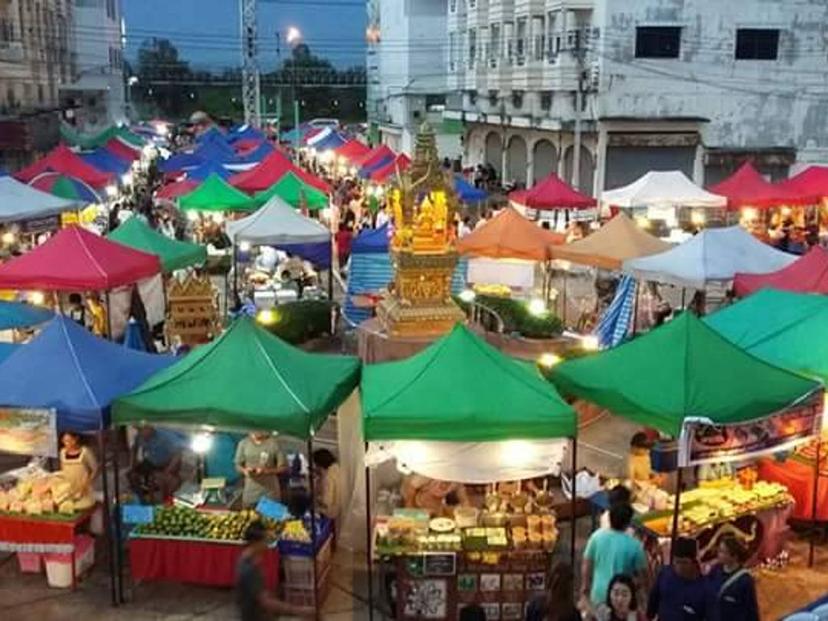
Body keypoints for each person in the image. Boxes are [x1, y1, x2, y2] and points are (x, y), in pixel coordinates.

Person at [236, 522, 313, 621]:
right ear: (256, 542)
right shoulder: (249, 569)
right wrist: (298, 610)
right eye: (265, 541)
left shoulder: (248, 559)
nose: (267, 545)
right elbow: (265, 601)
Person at [581, 504, 647, 607]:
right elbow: (644, 576)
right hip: (622, 598)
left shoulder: (596, 537)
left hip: (599, 594)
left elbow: (586, 565)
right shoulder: (635, 546)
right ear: (628, 523)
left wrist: (585, 589)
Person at [647, 537, 707, 621]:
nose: (679, 566)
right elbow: (653, 600)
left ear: (694, 562)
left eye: (684, 562)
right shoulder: (665, 574)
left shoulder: (705, 588)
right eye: (676, 561)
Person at [705, 537, 759, 621]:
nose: (719, 554)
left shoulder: (745, 581)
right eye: (719, 550)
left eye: (723, 552)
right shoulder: (715, 570)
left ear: (734, 556)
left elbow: (751, 610)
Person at [129, 426, 183, 502]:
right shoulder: (139, 437)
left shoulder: (165, 436)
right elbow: (134, 448)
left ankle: (166, 500)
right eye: (139, 430)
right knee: (132, 475)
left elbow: (178, 455)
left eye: (142, 430)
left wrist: (168, 470)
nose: (141, 433)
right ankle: (142, 500)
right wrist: (132, 464)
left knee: (166, 480)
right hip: (151, 461)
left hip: (167, 462)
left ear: (150, 428)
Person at [235, 432, 287, 509]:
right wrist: (245, 471)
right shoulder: (243, 443)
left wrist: (266, 471)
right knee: (249, 520)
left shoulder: (274, 443)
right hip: (250, 495)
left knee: (273, 520)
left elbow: (283, 467)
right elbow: (237, 465)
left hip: (270, 495)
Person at [59, 432, 99, 510]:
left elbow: (95, 469)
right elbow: (62, 469)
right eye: (65, 441)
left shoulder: (85, 451)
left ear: (76, 439)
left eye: (70, 440)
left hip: (84, 489)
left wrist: (87, 483)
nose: (67, 444)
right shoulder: (62, 452)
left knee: (82, 506)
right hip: (69, 489)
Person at [312, 449, 342, 522]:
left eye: (316, 464)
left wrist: (316, 497)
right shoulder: (338, 469)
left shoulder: (327, 477)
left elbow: (326, 501)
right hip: (341, 509)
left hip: (330, 513)